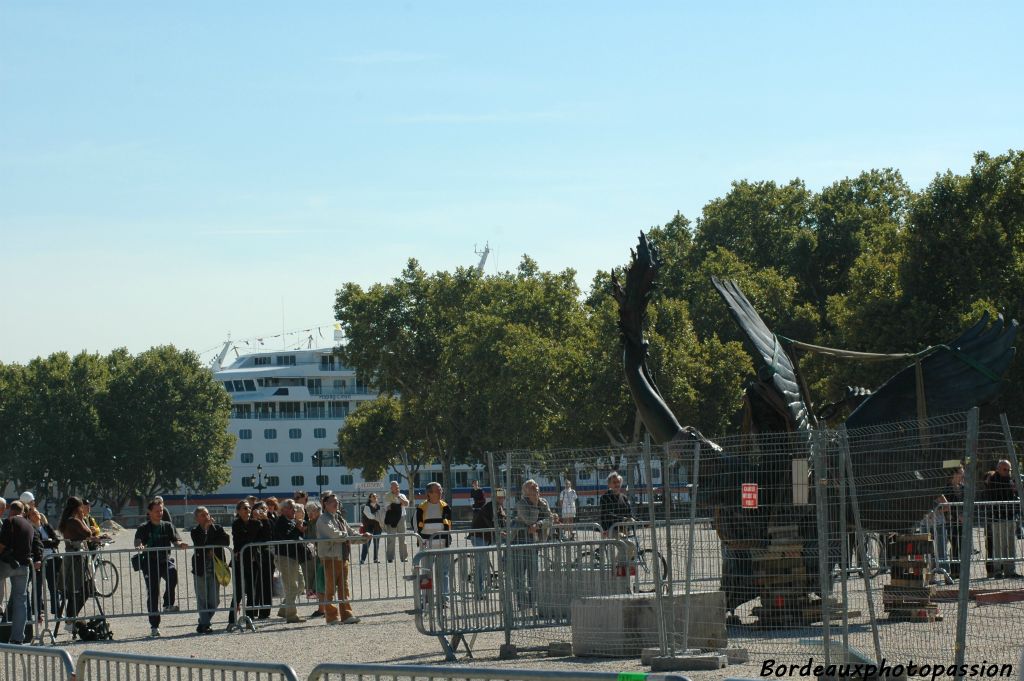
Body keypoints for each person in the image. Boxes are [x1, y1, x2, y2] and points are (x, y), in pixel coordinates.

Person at [134, 499, 188, 637]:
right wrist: (139, 545)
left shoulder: (168, 526)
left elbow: (176, 540)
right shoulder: (143, 527)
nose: (160, 513)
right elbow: (138, 540)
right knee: (152, 593)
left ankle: (168, 603)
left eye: (162, 510)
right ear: (149, 512)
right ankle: (154, 626)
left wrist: (180, 544)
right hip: (150, 563)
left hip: (165, 560)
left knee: (173, 574)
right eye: (157, 511)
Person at [316, 491, 366, 624]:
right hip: (330, 557)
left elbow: (350, 532)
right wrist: (348, 536)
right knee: (330, 588)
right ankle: (331, 617)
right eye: (333, 501)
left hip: (342, 557)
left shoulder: (339, 517)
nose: (336, 503)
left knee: (344, 588)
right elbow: (335, 534)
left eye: (337, 501)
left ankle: (346, 615)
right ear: (325, 504)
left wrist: (363, 537)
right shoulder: (323, 519)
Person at [0, 501, 43, 644]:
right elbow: (37, 544)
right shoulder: (29, 525)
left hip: (7, 564)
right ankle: (18, 637)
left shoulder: (10, 521)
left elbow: (2, 544)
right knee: (21, 601)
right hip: (24, 567)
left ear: (11, 510)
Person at [57, 497, 97, 629]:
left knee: (80, 589)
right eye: (81, 507)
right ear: (77, 508)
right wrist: (82, 517)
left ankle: (70, 619)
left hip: (75, 556)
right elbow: (88, 532)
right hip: (76, 558)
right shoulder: (73, 520)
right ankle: (70, 619)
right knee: (80, 589)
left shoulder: (68, 520)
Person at [511, 479, 551, 608]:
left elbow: (550, 519)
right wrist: (534, 504)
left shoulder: (543, 502)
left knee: (533, 574)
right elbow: (528, 520)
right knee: (519, 576)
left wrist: (538, 525)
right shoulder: (521, 504)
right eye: (532, 487)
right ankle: (522, 603)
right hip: (519, 543)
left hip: (534, 543)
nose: (536, 488)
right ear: (526, 492)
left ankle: (533, 601)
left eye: (537, 487)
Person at [190, 506, 229, 634]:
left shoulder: (217, 528)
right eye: (203, 515)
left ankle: (202, 622)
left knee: (214, 600)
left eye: (207, 514)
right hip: (200, 568)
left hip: (215, 568)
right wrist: (206, 531)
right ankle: (206, 624)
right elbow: (199, 543)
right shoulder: (195, 531)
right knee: (202, 598)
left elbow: (226, 540)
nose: (206, 517)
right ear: (197, 518)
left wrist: (212, 546)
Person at [984, 459, 1021, 579]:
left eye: (1009, 469)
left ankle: (1010, 571)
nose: (1008, 472)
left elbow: (1014, 495)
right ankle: (997, 571)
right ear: (998, 469)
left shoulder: (1011, 480)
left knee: (1010, 545)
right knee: (998, 545)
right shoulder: (994, 479)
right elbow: (987, 480)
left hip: (1010, 516)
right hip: (997, 517)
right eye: (1005, 469)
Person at [272, 499, 307, 622]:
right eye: (292, 508)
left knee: (301, 585)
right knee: (291, 586)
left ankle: (283, 609)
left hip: (293, 557)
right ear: (283, 510)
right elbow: (287, 537)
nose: (294, 510)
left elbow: (296, 535)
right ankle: (291, 615)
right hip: (284, 557)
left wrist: (300, 528)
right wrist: (298, 528)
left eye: (294, 508)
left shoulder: (291, 521)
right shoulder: (280, 522)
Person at [469, 487, 507, 597]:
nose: (501, 498)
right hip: (479, 536)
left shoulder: (500, 508)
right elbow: (490, 524)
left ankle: (505, 562)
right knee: (481, 565)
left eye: (503, 496)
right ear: (494, 497)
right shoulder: (490, 507)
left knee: (510, 541)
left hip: (487, 537)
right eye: (499, 496)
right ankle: (478, 592)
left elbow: (502, 522)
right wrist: (500, 532)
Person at [26, 506, 62, 623]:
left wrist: (48, 542)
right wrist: (48, 542)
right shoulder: (30, 528)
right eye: (32, 514)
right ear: (29, 517)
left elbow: (56, 541)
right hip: (39, 561)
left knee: (53, 586)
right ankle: (37, 612)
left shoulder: (46, 526)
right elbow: (36, 545)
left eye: (36, 512)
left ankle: (56, 612)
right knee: (37, 587)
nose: (35, 515)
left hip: (50, 559)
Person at [416, 482, 452, 596]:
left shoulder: (445, 506)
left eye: (441, 490)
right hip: (427, 546)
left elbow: (449, 525)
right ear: (429, 493)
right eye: (437, 490)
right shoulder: (421, 508)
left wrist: (447, 540)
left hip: (443, 545)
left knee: (444, 573)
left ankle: (444, 597)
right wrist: (421, 542)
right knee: (426, 573)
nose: (440, 492)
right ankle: (425, 597)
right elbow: (417, 527)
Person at [249, 501, 275, 618]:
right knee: (254, 584)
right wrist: (255, 520)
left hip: (266, 555)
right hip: (252, 556)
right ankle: (252, 610)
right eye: (260, 509)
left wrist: (264, 520)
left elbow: (269, 536)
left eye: (265, 509)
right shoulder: (250, 522)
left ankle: (265, 611)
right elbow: (251, 535)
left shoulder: (270, 521)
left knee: (266, 583)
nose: (263, 511)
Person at [304, 501, 325, 618]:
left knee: (322, 581)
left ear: (317, 511)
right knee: (320, 582)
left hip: (324, 554)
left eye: (311, 512)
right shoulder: (311, 522)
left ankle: (324, 608)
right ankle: (322, 608)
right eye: (308, 512)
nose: (309, 514)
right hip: (318, 554)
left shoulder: (321, 521)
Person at [382, 481, 410, 563]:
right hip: (392, 519)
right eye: (395, 487)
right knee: (391, 539)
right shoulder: (387, 496)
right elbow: (388, 507)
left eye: (398, 486)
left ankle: (404, 557)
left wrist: (399, 499)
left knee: (403, 538)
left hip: (402, 518)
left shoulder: (402, 495)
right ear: (391, 488)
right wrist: (399, 505)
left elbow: (406, 504)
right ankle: (390, 558)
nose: (397, 488)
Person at [599, 471, 634, 537]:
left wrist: (642, 523)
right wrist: (623, 519)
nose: (617, 484)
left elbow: (629, 514)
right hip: (610, 529)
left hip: (624, 528)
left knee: (632, 545)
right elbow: (607, 514)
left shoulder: (624, 497)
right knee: (624, 540)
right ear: (609, 484)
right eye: (614, 482)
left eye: (618, 482)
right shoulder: (604, 497)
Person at [360, 493, 382, 564]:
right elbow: (370, 516)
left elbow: (381, 516)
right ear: (370, 498)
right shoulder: (366, 507)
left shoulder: (379, 506)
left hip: (377, 527)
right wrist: (378, 517)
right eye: (373, 496)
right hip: (368, 527)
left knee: (376, 544)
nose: (375, 497)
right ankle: (362, 559)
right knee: (366, 543)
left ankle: (375, 559)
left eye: (376, 496)